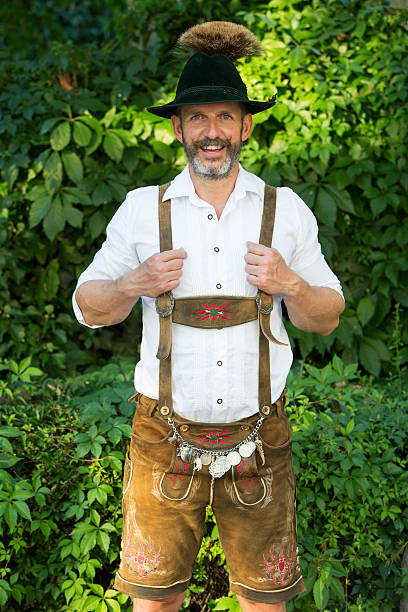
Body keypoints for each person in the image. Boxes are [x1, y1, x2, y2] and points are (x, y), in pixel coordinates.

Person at [73, 21, 345, 612]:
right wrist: (132, 283)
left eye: (224, 116)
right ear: (178, 128)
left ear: (246, 125)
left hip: (261, 433)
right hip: (161, 434)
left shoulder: (286, 211)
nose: (212, 131)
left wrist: (289, 282)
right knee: (154, 602)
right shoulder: (142, 210)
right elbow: (87, 306)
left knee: (268, 603)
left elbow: (326, 316)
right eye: (198, 117)